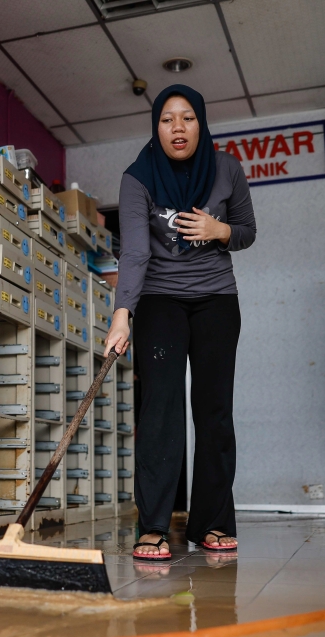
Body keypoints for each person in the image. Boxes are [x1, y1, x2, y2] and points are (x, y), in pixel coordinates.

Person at [104, 84, 256, 561]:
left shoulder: (227, 168)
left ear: (201, 122)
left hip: (217, 301)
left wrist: (219, 229)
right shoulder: (138, 178)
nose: (177, 128)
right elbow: (134, 252)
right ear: (157, 126)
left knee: (213, 412)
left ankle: (212, 523)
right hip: (160, 302)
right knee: (160, 411)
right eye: (167, 119)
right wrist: (122, 316)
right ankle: (152, 525)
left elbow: (248, 231)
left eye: (187, 118)